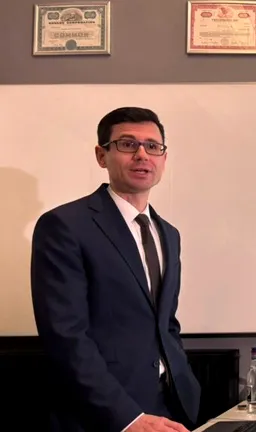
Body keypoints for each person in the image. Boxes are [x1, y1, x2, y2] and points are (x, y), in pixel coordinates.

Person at [30, 107, 201, 432]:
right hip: (104, 416)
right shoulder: (65, 226)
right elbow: (66, 336)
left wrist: (184, 388)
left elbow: (166, 324)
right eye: (127, 144)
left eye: (152, 146)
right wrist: (128, 418)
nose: (142, 155)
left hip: (170, 405)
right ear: (101, 155)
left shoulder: (169, 234)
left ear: (163, 158)